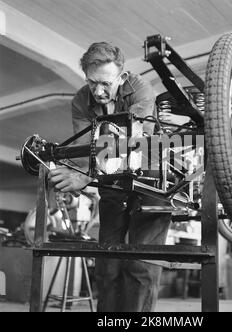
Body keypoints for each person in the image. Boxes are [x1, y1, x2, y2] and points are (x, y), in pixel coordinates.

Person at [49, 42, 171, 312]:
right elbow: (83, 151)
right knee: (108, 264)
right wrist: (79, 171)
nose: (99, 91)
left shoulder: (141, 88)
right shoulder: (81, 100)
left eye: (105, 83)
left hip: (151, 180)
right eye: (92, 83)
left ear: (122, 77)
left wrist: (87, 174)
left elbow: (136, 139)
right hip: (112, 181)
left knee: (140, 266)